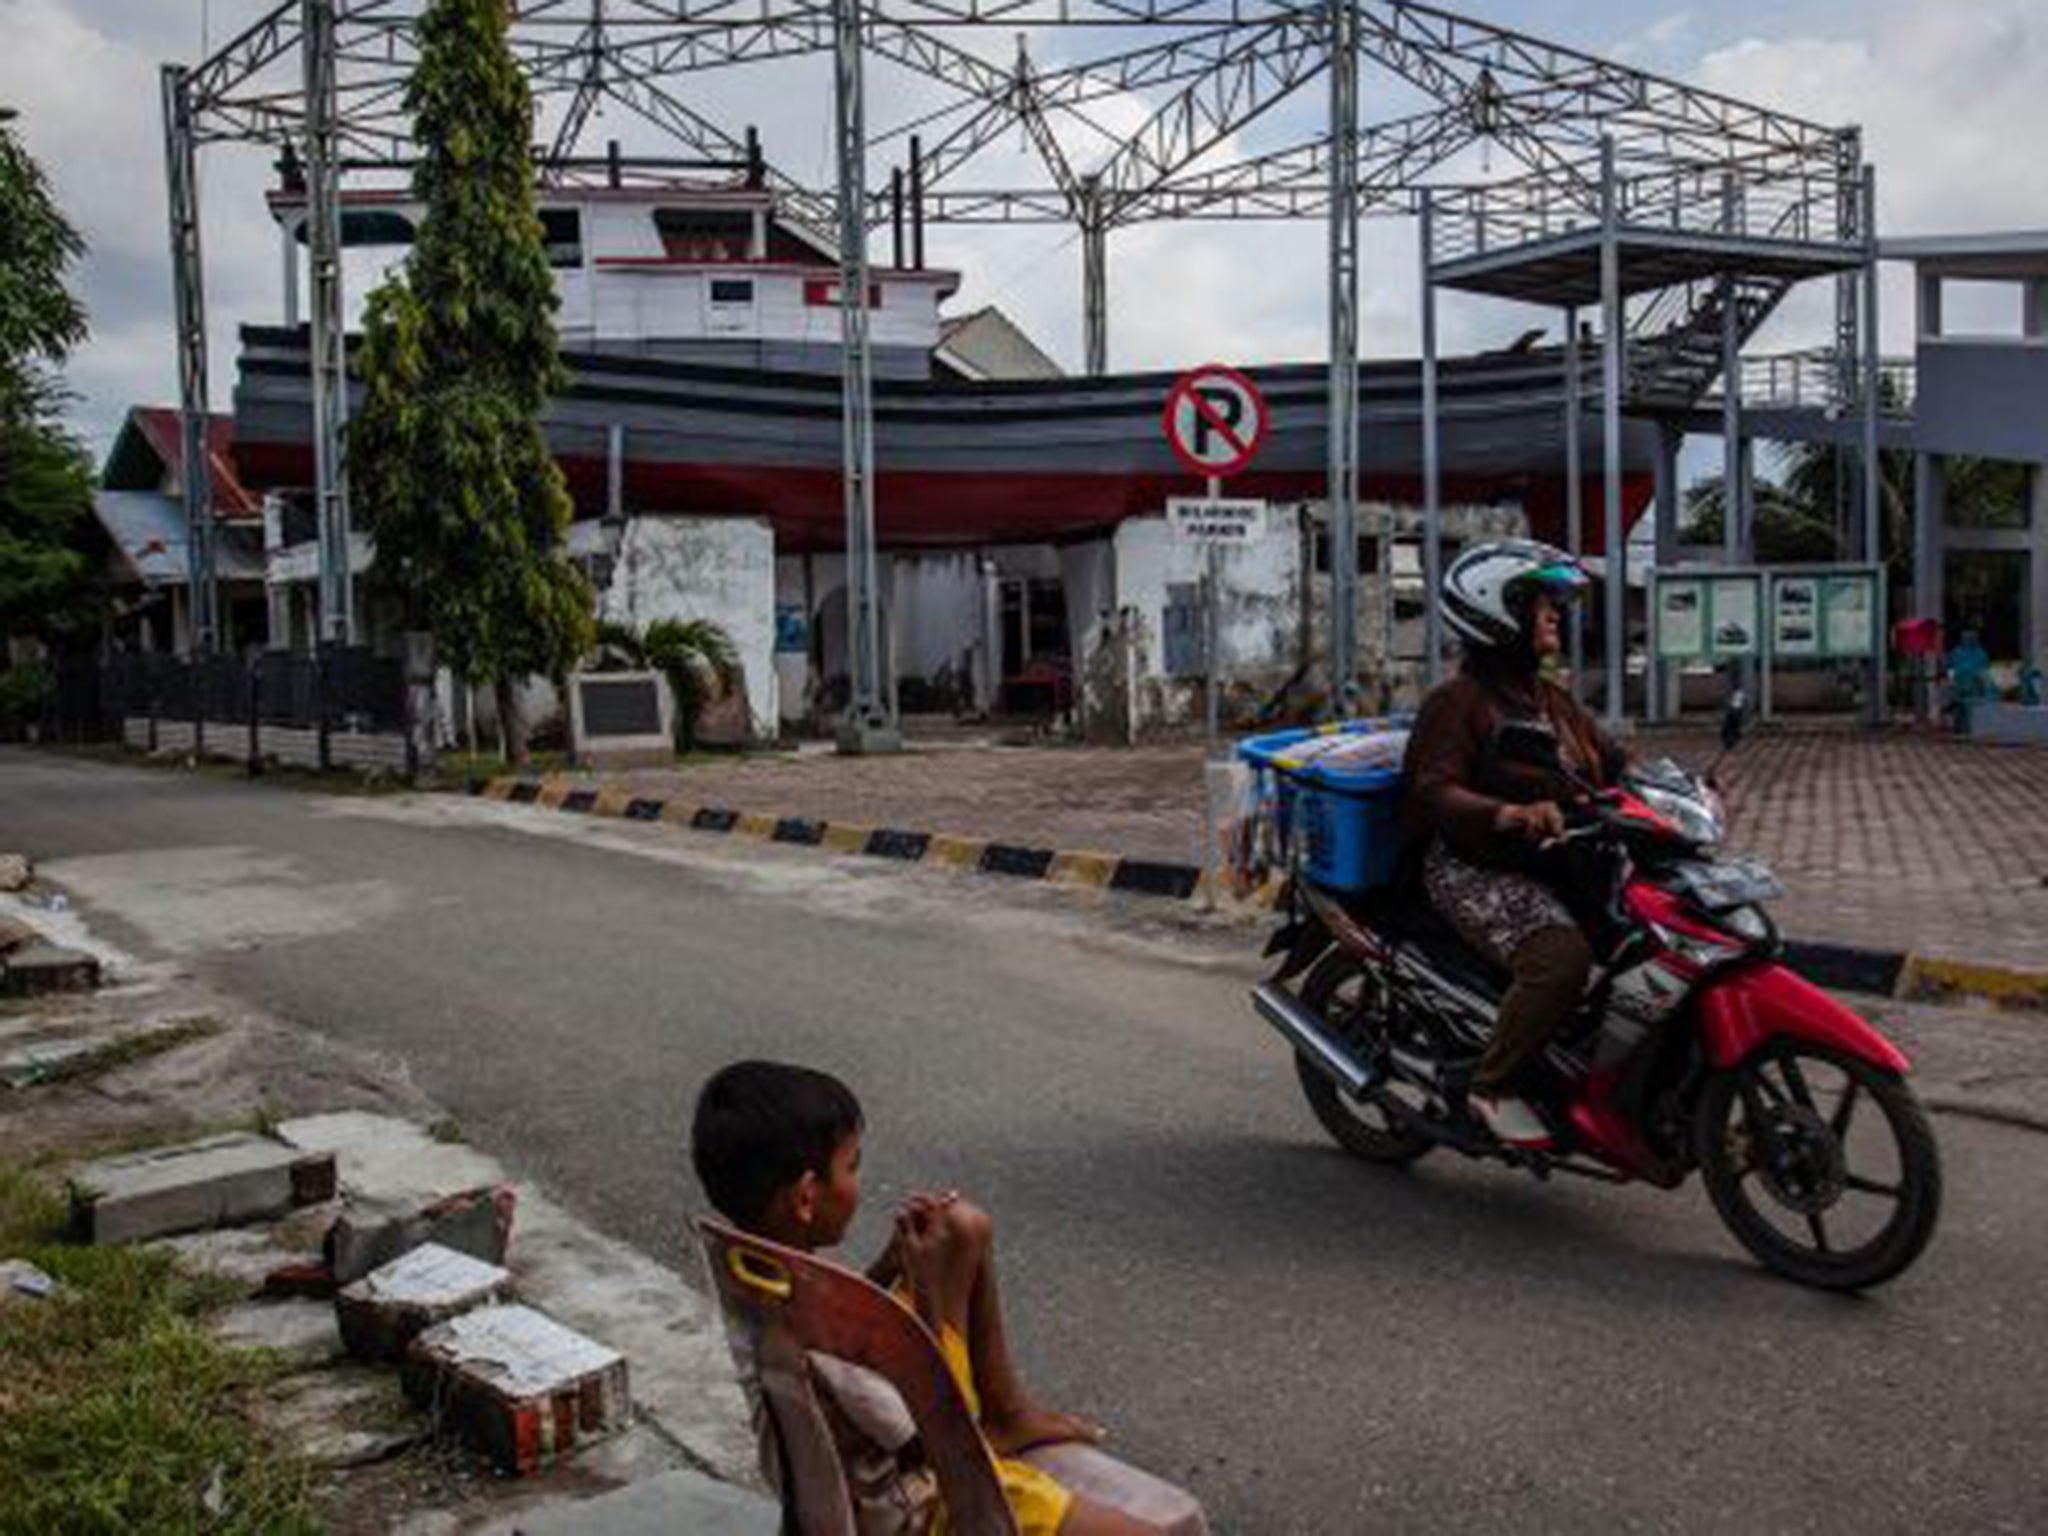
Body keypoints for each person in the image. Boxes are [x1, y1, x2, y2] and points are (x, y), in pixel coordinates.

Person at [691, 1060, 1166, 1536]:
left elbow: (846, 1327)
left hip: (882, 1458)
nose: (858, 1180)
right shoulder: (818, 1334)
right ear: (806, 1197)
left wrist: (890, 1264)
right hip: (921, 1508)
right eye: (851, 1165)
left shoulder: (756, 1271)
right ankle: (998, 1427)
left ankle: (1010, 1415)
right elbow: (939, 1436)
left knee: (963, 1227)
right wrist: (928, 1290)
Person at [1402, 540, 1627, 1149]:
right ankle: (1492, 1085)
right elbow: (1432, 792)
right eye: (1541, 602)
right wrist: (1508, 812)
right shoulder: (1457, 703)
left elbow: (1613, 762)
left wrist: (1685, 792)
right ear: (1497, 612)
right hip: (1473, 866)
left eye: (1557, 602)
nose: (1556, 612)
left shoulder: (1550, 699)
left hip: (1558, 862)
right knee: (1561, 961)